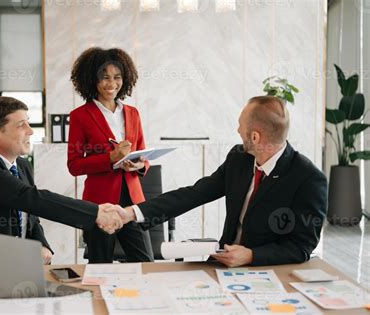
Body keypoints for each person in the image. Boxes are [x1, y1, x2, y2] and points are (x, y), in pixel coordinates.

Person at [0, 96, 123, 313]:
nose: (31, 131)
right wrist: (96, 212)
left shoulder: (21, 166)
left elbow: (31, 212)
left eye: (29, 122)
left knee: (84, 297)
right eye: (21, 125)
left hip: (14, 268)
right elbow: (28, 197)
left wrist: (41, 243)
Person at [117, 96, 328, 267]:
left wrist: (251, 256)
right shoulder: (239, 158)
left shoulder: (308, 178)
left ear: (255, 137)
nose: (237, 130)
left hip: (269, 270)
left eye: (240, 125)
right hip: (221, 265)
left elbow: (301, 247)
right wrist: (131, 212)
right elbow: (194, 194)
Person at [68, 47, 154, 263]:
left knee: (145, 263)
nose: (112, 83)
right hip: (100, 204)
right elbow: (75, 165)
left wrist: (139, 165)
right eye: (104, 77)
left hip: (133, 202)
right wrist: (110, 158)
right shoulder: (80, 116)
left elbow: (143, 156)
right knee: (100, 266)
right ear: (91, 80)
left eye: (117, 77)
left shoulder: (133, 113)